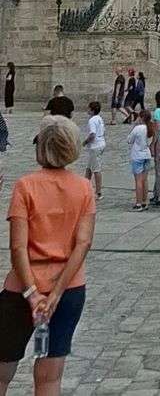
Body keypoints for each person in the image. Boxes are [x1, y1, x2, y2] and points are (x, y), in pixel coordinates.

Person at [0, 117, 95, 395]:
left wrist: (32, 293)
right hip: (68, 289)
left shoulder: (26, 186)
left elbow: (18, 247)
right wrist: (54, 294)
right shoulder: (83, 188)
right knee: (50, 377)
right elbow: (83, 243)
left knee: (2, 370)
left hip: (22, 289)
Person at [127, 108, 153, 211]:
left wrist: (134, 126)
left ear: (141, 117)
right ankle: (145, 201)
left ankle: (138, 202)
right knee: (145, 180)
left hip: (137, 155)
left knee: (138, 180)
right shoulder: (148, 127)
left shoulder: (138, 128)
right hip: (146, 154)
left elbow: (129, 140)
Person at [81, 102, 105, 201]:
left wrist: (85, 142)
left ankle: (98, 192)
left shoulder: (92, 120)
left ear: (91, 110)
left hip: (95, 145)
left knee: (96, 169)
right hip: (101, 143)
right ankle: (85, 189)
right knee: (89, 168)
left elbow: (92, 134)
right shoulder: (100, 118)